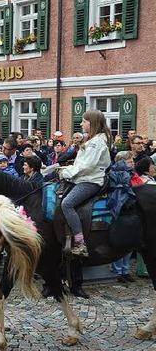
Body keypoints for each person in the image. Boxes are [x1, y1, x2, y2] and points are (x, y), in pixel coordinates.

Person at [59, 110, 112, 257]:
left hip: (90, 181)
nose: (81, 124)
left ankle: (80, 243)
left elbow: (87, 166)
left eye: (84, 121)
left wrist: (66, 173)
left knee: (67, 204)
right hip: (83, 178)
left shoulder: (96, 143)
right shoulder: (92, 140)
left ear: (92, 123)